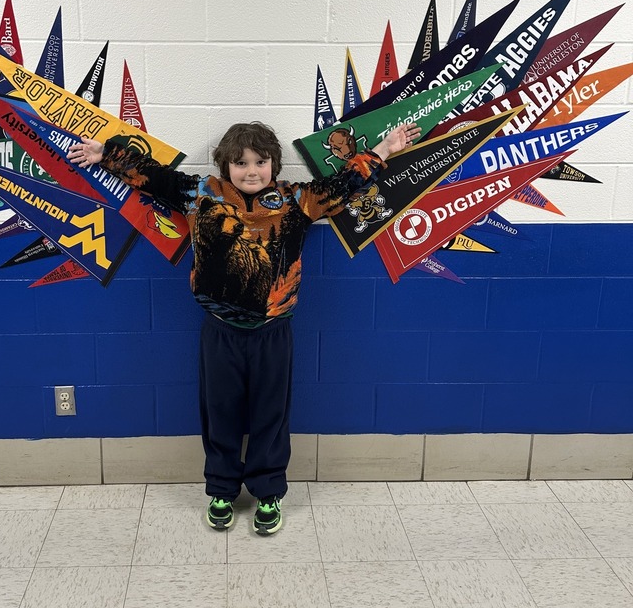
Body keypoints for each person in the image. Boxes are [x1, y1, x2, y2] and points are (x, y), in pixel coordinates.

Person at [68, 119, 419, 535]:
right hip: (220, 329)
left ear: (274, 164)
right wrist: (105, 154)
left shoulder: (297, 201)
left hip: (274, 331)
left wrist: (384, 149)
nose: (251, 170)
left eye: (260, 161)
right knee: (220, 411)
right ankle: (221, 488)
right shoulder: (201, 195)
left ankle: (268, 492)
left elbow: (344, 185)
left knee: (271, 413)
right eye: (240, 163)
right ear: (224, 166)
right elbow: (154, 178)